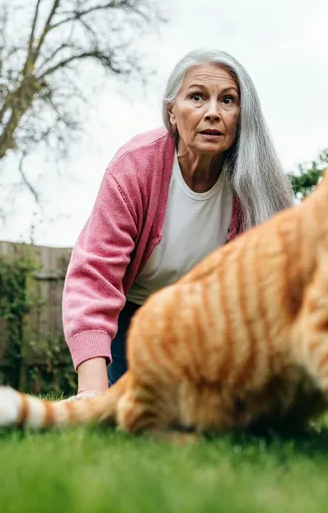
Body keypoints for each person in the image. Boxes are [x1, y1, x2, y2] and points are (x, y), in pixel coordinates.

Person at [62, 48, 295, 400]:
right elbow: (94, 279)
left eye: (228, 100)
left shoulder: (258, 186)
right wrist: (92, 390)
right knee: (126, 410)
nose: (213, 113)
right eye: (197, 97)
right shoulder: (135, 167)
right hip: (134, 315)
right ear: (172, 112)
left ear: (242, 115)